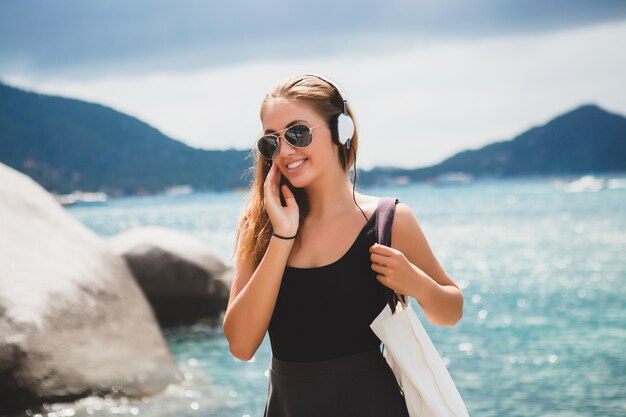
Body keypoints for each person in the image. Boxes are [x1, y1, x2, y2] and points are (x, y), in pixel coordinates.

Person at [223, 73, 464, 417]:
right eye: (271, 142)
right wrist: (282, 236)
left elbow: (451, 311)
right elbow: (241, 345)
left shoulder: (388, 220)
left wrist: (418, 284)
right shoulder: (262, 228)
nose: (286, 151)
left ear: (341, 131)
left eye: (298, 133)